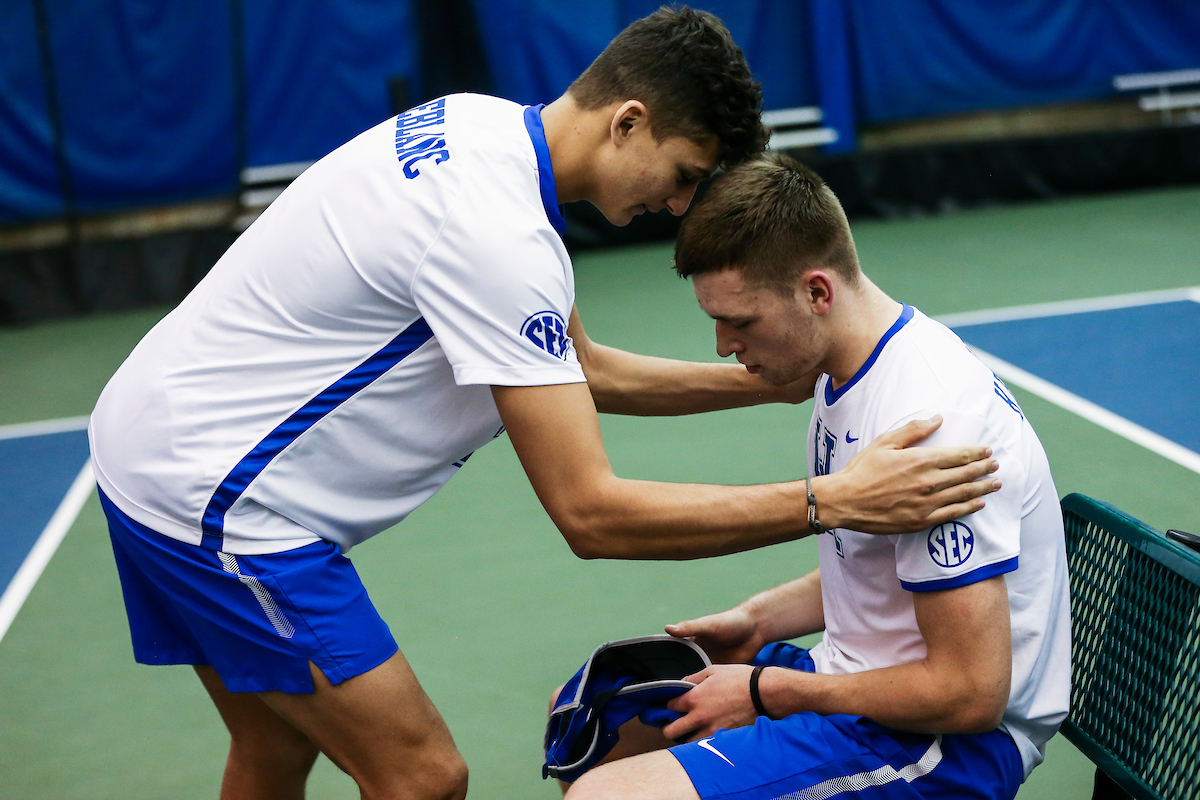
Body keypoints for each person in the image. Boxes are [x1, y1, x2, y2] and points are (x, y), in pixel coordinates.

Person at [89, 9, 1000, 800]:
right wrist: (835, 500)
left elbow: (582, 370)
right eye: (683, 174)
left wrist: (768, 376)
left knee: (274, 738)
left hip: (149, 444)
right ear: (629, 121)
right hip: (219, 507)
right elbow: (591, 512)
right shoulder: (502, 239)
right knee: (420, 779)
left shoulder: (478, 129)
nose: (681, 203)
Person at [561, 154, 1070, 800]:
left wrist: (769, 692)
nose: (723, 346)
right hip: (862, 689)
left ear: (817, 292)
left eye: (740, 322)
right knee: (601, 709)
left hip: (942, 750)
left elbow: (970, 694)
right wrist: (758, 620)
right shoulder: (846, 370)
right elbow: (880, 569)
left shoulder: (928, 425)